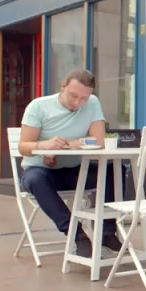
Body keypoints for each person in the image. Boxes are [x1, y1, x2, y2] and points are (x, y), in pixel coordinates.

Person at [18, 69, 122, 258]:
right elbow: (24, 147)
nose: (78, 103)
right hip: (41, 170)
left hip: (75, 171)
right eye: (73, 96)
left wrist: (64, 145)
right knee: (35, 179)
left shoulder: (92, 103)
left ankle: (107, 233)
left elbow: (98, 141)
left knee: (114, 169)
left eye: (84, 98)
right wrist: (44, 146)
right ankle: (77, 235)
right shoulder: (38, 107)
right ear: (63, 87)